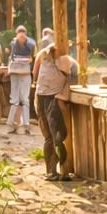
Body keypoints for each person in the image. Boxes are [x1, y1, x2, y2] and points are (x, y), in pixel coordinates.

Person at [34, 39, 77, 180]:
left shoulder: (41, 55)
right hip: (52, 98)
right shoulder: (66, 60)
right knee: (57, 137)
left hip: (40, 96)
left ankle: (51, 172)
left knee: (49, 138)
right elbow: (74, 79)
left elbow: (34, 74)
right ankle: (63, 172)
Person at [5, 25, 35, 134]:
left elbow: (12, 57)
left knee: (15, 99)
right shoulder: (30, 43)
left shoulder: (16, 43)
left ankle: (14, 124)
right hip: (24, 72)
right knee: (23, 99)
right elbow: (32, 58)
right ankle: (25, 125)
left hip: (17, 72)